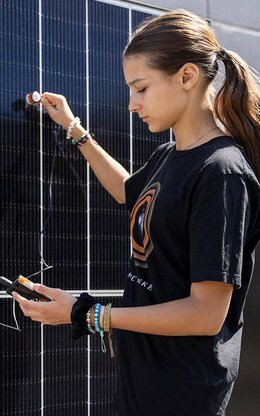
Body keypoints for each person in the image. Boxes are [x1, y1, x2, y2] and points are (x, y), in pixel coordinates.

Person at [13, 9, 260, 416]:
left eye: (141, 88)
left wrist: (86, 313)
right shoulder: (170, 156)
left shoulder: (222, 174)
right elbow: (130, 192)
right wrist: (74, 129)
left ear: (186, 77)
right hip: (145, 379)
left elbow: (205, 314)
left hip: (182, 393)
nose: (131, 104)